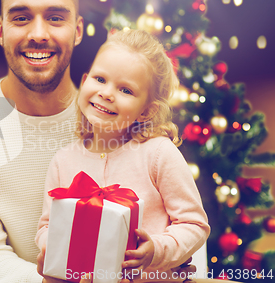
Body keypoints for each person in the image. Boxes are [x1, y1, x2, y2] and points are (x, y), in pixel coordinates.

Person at [0, 0, 197, 282]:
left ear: (78, 30)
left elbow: (182, 219)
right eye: (21, 18)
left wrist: (165, 262)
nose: (38, 33)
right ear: (1, 30)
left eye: (55, 18)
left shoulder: (121, 119)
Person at [35, 29, 211, 282]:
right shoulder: (63, 161)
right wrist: (50, 248)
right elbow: (46, 227)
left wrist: (157, 250)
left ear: (146, 111)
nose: (106, 93)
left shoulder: (158, 154)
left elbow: (194, 225)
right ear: (84, 81)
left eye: (126, 90)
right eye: (99, 79)